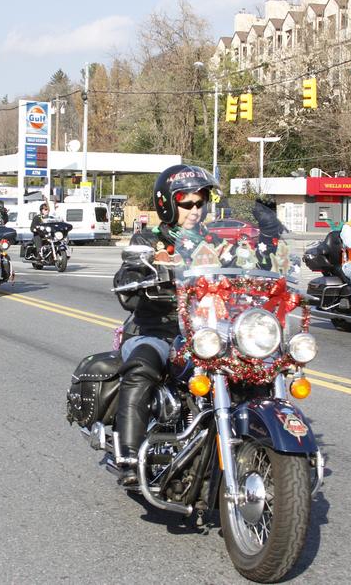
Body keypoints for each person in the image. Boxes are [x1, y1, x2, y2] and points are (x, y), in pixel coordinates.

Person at [112, 164, 218, 485]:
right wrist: (136, 277)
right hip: (158, 328)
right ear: (168, 205)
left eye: (200, 203)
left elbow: (244, 268)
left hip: (205, 331)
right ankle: (129, 455)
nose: (195, 210)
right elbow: (129, 271)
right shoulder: (149, 239)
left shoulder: (214, 240)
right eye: (187, 204)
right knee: (142, 368)